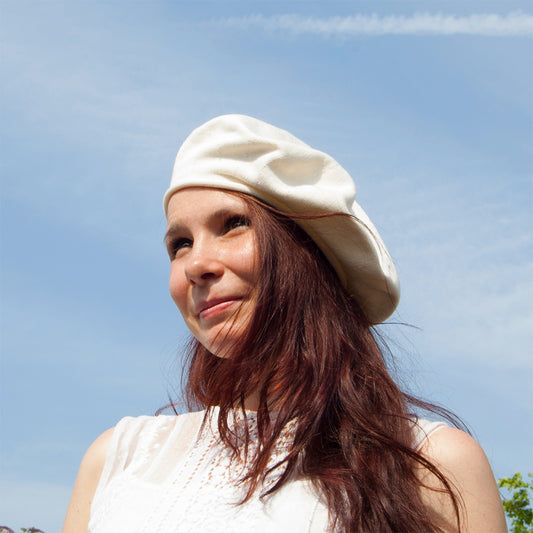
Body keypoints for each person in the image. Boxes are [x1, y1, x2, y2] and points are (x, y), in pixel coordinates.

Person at [62, 114, 507, 533]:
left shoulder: (432, 464)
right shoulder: (115, 460)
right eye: (180, 243)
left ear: (309, 252)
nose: (195, 264)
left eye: (233, 224)